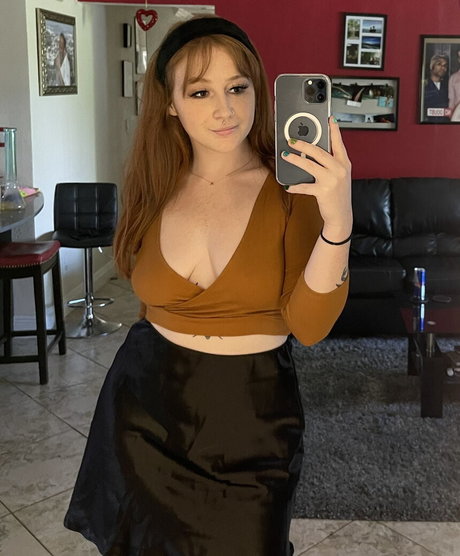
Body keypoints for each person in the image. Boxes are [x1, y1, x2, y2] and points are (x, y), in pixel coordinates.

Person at [63, 16, 351, 556]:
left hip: (253, 421)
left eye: (237, 88)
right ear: (170, 103)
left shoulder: (294, 192)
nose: (225, 109)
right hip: (146, 412)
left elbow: (311, 328)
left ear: (257, 91)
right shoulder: (154, 186)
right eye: (200, 92)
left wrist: (338, 222)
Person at [423, 53, 449, 122]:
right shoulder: (424, 86)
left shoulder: (447, 87)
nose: (443, 68)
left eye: (445, 65)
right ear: (432, 66)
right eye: (439, 64)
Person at [448, 48, 460, 117]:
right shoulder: (453, 78)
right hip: (457, 116)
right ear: (459, 60)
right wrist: (451, 117)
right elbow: (451, 101)